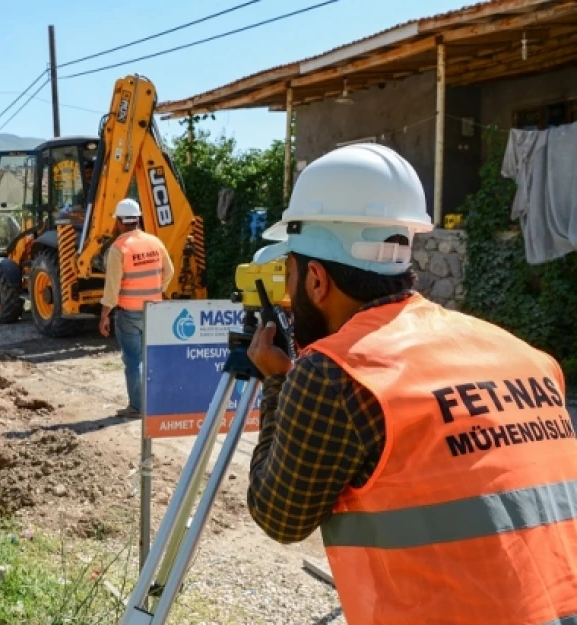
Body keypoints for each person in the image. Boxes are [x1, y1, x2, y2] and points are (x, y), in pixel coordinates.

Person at [244, 142, 577, 625]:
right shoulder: (526, 357)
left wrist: (278, 382)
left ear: (316, 280)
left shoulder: (335, 373)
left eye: (290, 276)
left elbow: (279, 515)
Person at [99, 198, 174, 418]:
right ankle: (155, 403)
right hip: (154, 310)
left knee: (133, 361)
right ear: (138, 219)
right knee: (152, 358)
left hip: (128, 313)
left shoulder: (118, 248)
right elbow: (169, 272)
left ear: (120, 222)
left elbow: (112, 287)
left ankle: (137, 407)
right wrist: (155, 289)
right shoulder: (155, 243)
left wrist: (104, 314)